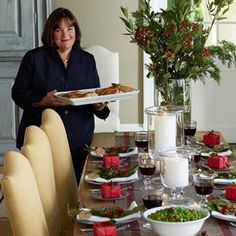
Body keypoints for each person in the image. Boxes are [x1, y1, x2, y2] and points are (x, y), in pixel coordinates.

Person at [11, 8, 110, 182]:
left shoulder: (87, 60)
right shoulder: (34, 58)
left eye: (70, 28)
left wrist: (99, 105)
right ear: (51, 33)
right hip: (42, 137)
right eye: (58, 29)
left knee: (78, 188)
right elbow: (18, 93)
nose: (65, 34)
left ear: (76, 31)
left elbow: (94, 96)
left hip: (79, 138)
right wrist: (42, 101)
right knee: (45, 190)